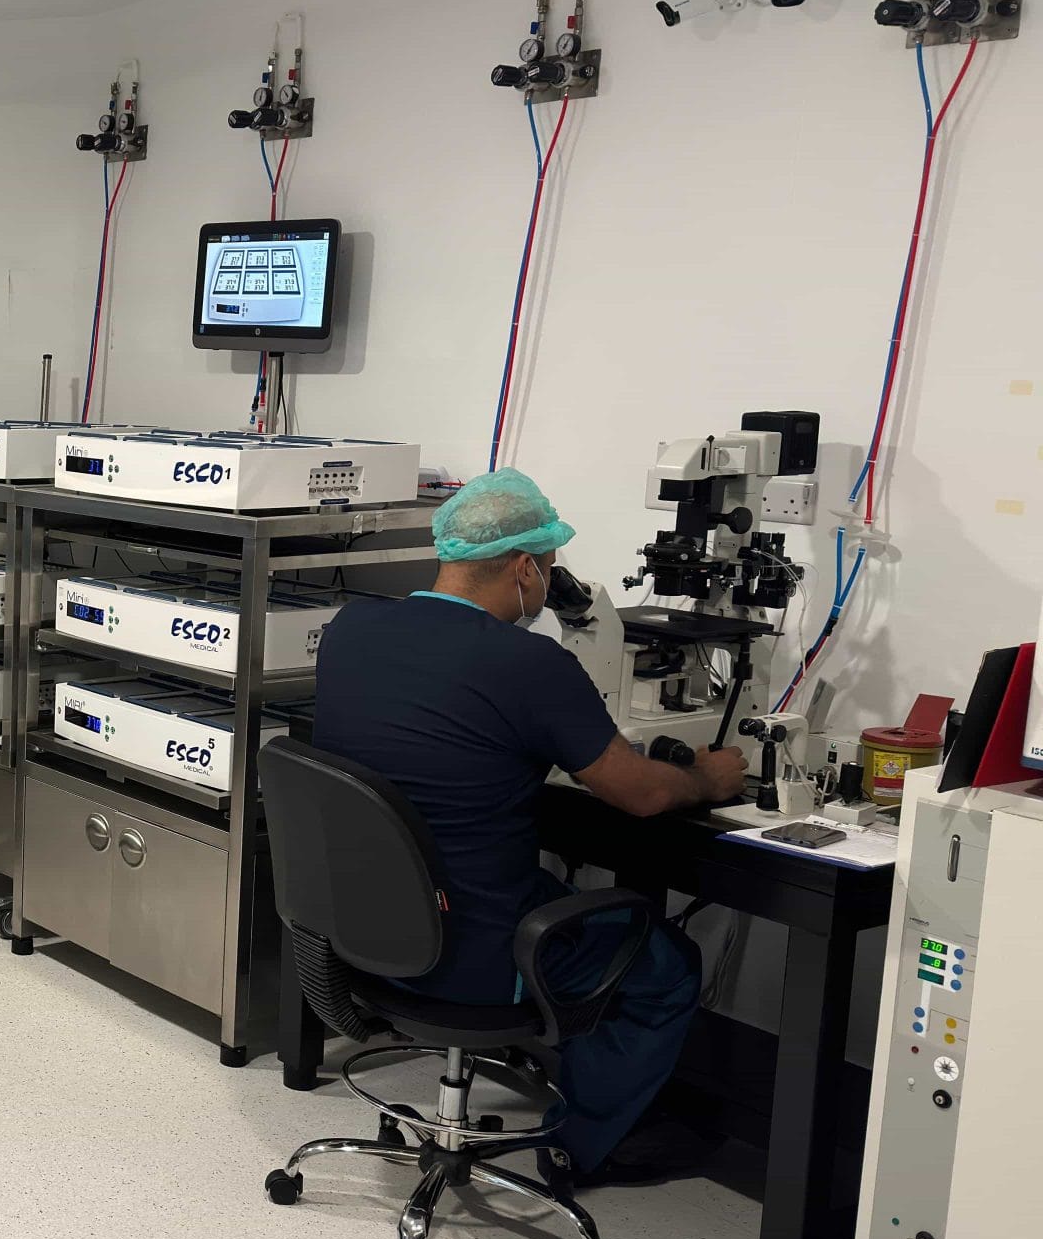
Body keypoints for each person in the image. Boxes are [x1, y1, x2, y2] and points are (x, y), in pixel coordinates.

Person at [308, 467, 746, 1185]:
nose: (547, 585)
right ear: (522, 568)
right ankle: (587, 1145)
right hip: (481, 950)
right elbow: (640, 795)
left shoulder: (352, 629)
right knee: (667, 965)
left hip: (364, 933)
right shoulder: (529, 663)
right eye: (547, 568)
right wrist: (708, 779)